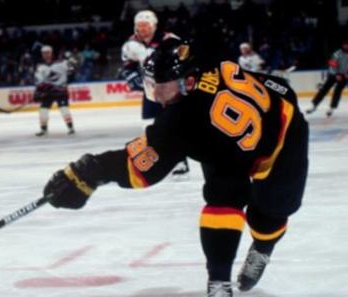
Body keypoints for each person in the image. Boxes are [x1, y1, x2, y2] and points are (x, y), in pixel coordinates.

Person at [42, 38, 309, 297]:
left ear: (188, 82)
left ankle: (263, 247)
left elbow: (141, 168)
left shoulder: (182, 120)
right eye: (151, 85)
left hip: (282, 135)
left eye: (163, 87)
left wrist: (93, 169)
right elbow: (188, 46)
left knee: (270, 211)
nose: (156, 95)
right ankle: (219, 281)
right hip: (233, 135)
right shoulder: (200, 59)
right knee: (222, 196)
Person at [120, 10, 189, 175]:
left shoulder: (170, 39)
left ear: (153, 25)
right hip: (150, 89)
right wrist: (131, 76)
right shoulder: (131, 44)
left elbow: (185, 59)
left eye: (145, 25)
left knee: (173, 125)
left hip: (171, 89)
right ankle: (156, 159)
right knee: (149, 125)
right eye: (139, 25)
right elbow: (128, 65)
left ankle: (179, 161)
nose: (142, 29)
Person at [34, 45, 75, 136]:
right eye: (44, 53)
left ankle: (71, 128)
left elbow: (72, 72)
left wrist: (67, 80)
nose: (46, 55)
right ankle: (44, 130)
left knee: (64, 109)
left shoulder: (62, 62)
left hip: (61, 91)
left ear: (51, 53)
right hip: (48, 93)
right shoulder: (40, 66)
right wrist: (39, 91)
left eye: (48, 52)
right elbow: (39, 81)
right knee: (43, 111)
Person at [306, 40, 348, 117]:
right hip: (333, 74)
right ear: (343, 45)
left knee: (337, 92)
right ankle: (314, 105)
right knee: (324, 89)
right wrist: (336, 74)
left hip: (344, 76)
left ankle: (331, 108)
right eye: (345, 45)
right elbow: (332, 64)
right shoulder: (337, 53)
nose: (346, 46)